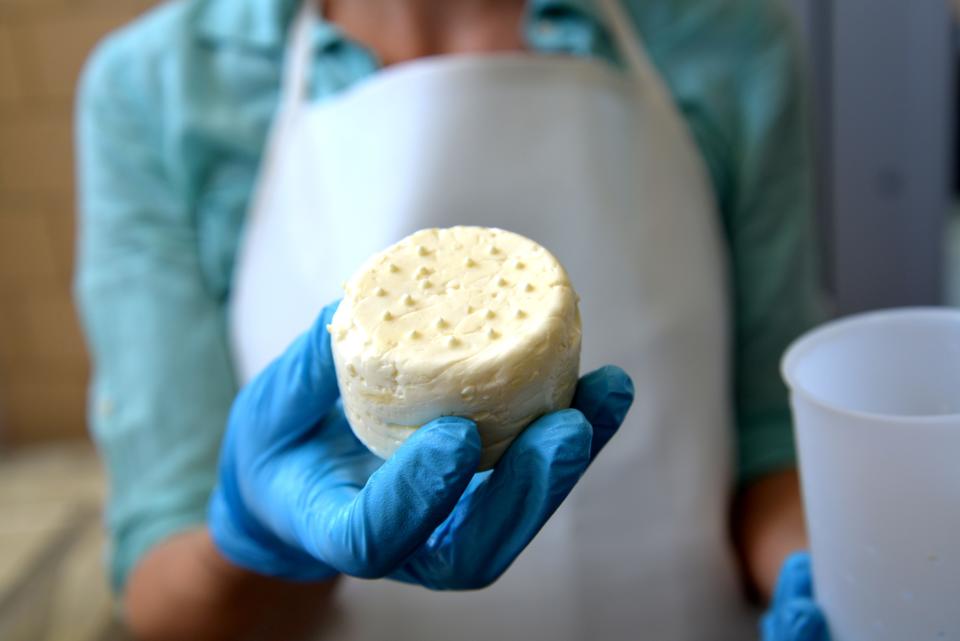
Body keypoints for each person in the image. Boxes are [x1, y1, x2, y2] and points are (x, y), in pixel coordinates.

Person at [74, 0, 828, 639]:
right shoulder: (156, 90)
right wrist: (262, 545)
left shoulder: (721, 36)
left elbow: (769, 443)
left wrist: (833, 577)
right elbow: (165, 599)